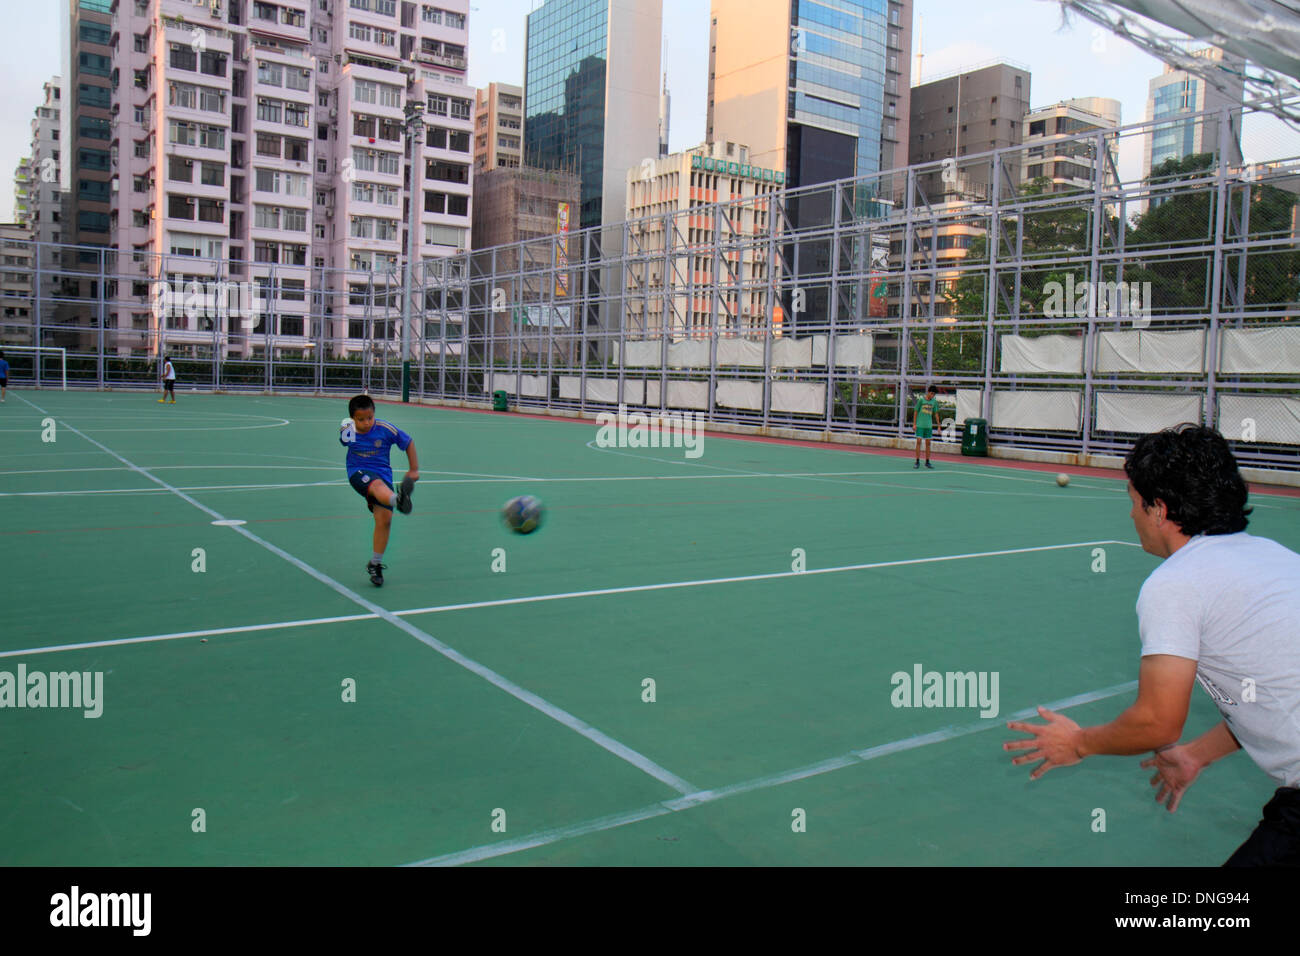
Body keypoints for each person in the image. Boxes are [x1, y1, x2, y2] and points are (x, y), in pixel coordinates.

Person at [1004, 424, 1300, 865]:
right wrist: (1196, 756)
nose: (1130, 516)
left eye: (1132, 502)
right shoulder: (1277, 558)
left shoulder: (1176, 583)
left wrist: (1079, 742)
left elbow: (1157, 723)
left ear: (1158, 509)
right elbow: (1273, 688)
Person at [340, 394, 419, 587]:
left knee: (384, 520)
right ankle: (397, 500)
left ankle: (375, 563)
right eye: (361, 419)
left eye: (370, 418)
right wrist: (345, 428)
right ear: (352, 418)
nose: (366, 423)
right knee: (375, 486)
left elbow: (407, 442)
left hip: (383, 476)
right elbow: (344, 440)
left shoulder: (385, 429)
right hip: (358, 473)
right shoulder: (348, 429)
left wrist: (414, 469)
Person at [911, 384, 940, 469]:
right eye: (931, 393)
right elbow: (916, 411)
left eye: (934, 394)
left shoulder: (934, 402)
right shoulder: (921, 400)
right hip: (920, 425)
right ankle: (917, 461)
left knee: (928, 443)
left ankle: (927, 461)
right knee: (919, 442)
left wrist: (938, 425)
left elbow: (936, 413)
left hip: (928, 425)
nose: (932, 395)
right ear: (928, 392)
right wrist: (914, 424)